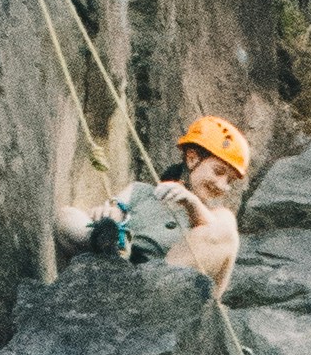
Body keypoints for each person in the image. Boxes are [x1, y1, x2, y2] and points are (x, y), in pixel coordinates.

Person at [55, 109, 249, 287]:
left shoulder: (220, 217)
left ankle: (142, 285)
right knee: (67, 216)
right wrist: (107, 216)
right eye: (218, 172)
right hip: (119, 272)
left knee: (225, 236)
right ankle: (111, 250)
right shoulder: (140, 192)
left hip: (162, 286)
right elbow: (113, 211)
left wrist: (192, 204)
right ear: (192, 158)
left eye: (230, 181)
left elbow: (218, 235)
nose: (223, 185)